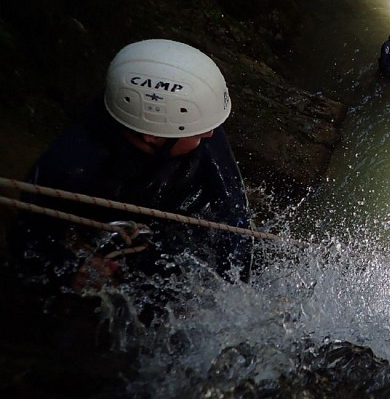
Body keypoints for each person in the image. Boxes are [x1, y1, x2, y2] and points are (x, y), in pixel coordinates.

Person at [8, 39, 253, 293]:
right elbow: (26, 240)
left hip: (173, 216)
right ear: (152, 136)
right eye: (198, 132)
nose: (210, 133)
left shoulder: (189, 125)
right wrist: (72, 270)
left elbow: (234, 215)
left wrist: (235, 291)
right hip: (111, 226)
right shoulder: (71, 166)